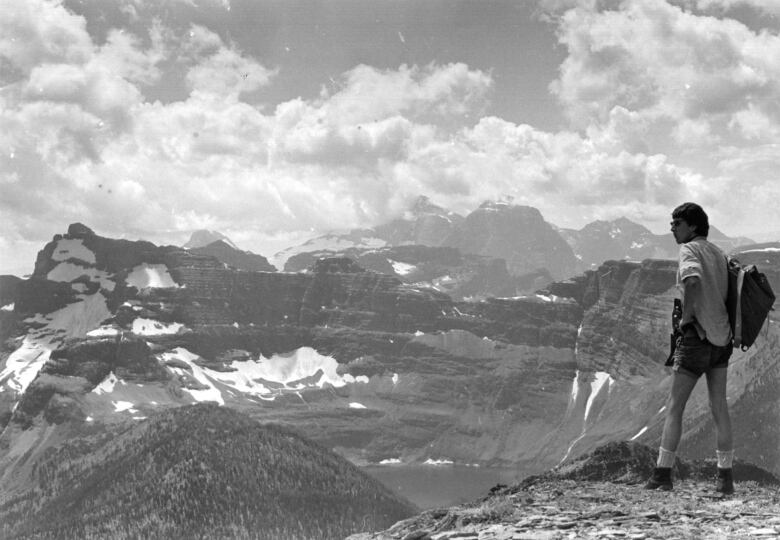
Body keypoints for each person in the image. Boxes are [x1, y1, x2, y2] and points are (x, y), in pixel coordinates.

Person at [645, 202, 734, 494]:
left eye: (677, 223)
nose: (671, 228)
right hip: (722, 338)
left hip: (697, 336)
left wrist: (686, 320)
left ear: (693, 226)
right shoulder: (719, 254)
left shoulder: (689, 251)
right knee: (719, 406)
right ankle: (725, 478)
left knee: (675, 406)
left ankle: (662, 474)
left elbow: (692, 282)